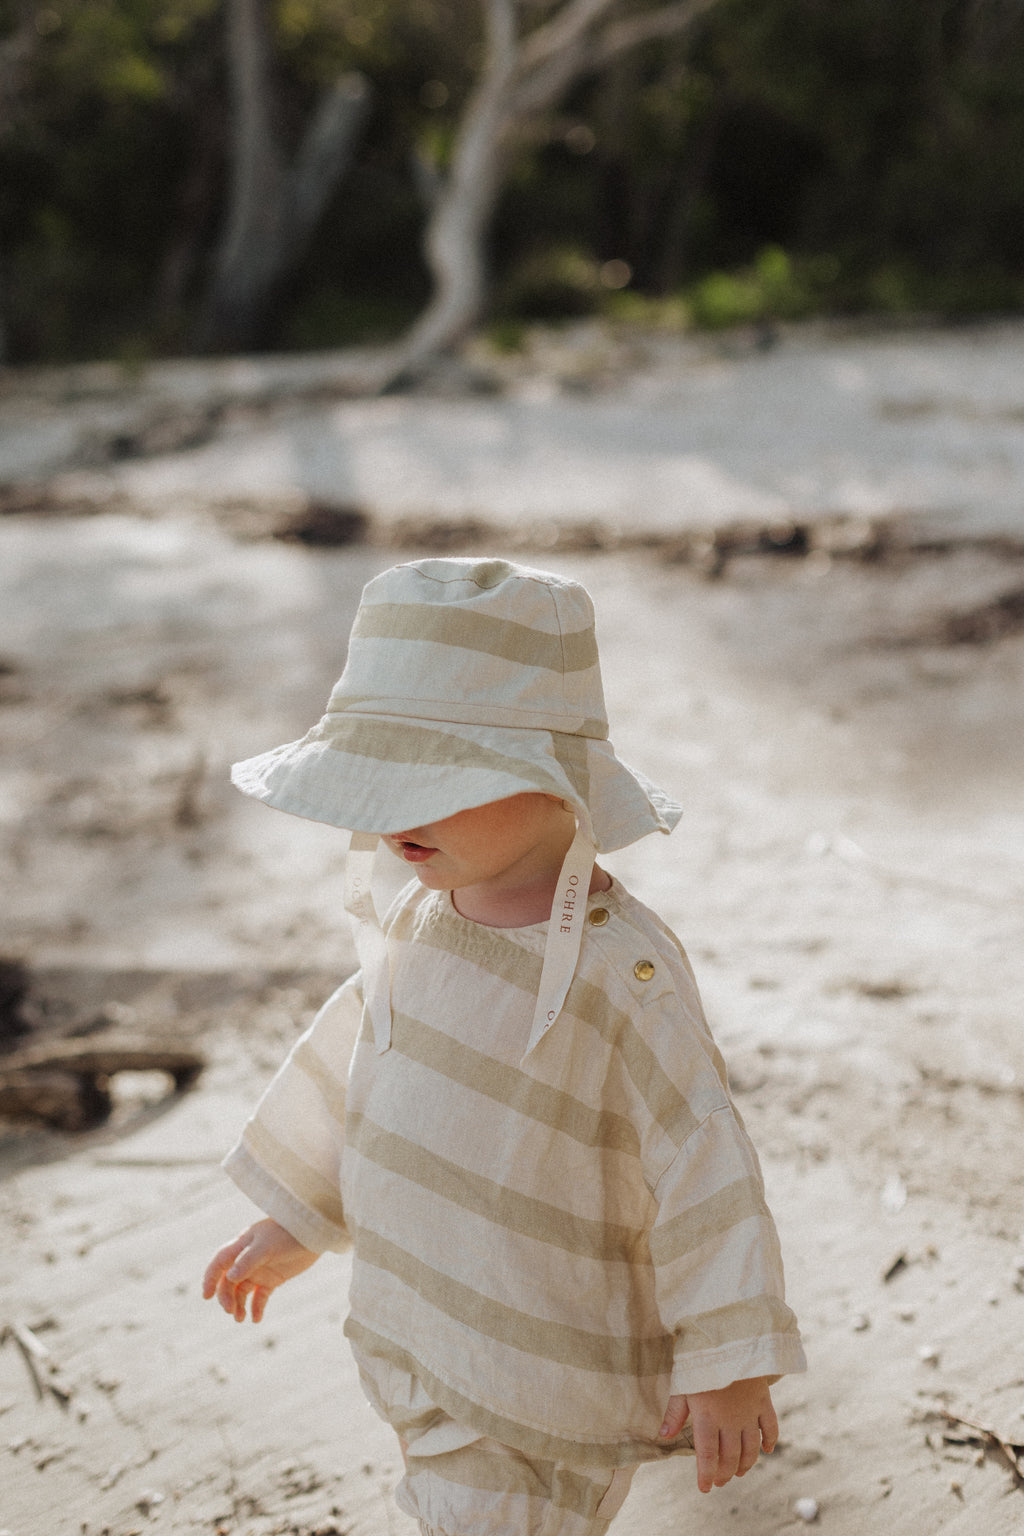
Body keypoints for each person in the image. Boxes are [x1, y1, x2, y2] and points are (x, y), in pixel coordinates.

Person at [203, 557, 805, 1536]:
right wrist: (302, 1217)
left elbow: (703, 1162)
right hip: (416, 1325)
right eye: (379, 777)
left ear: (548, 776)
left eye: (432, 780)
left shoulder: (624, 976)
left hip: (543, 1363)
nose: (395, 814)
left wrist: (730, 1359)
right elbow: (362, 1066)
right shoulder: (419, 916)